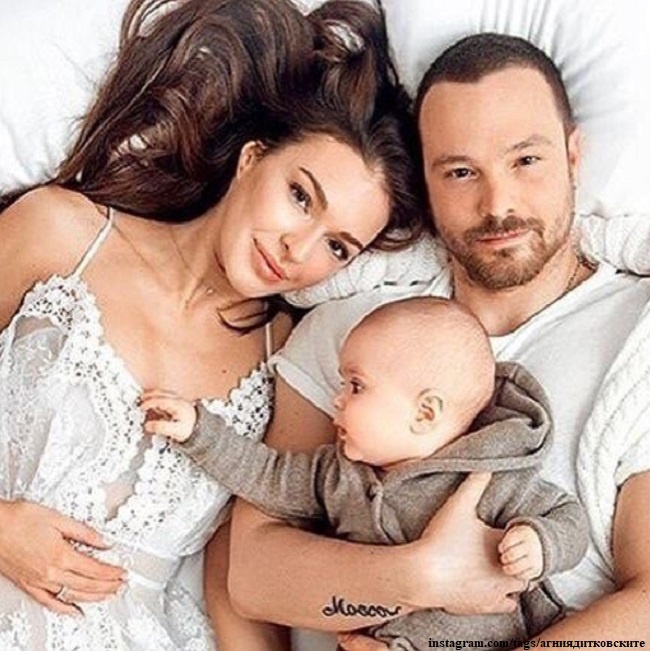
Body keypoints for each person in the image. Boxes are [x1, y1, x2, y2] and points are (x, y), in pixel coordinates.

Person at [0, 0, 426, 648]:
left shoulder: (289, 364)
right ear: (253, 158)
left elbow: (238, 589)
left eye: (337, 246)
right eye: (300, 196)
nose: (298, 249)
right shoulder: (60, 233)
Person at [223, 32, 650, 649]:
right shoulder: (352, 330)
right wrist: (422, 577)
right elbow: (253, 575)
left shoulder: (636, 341)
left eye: (526, 160)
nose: (498, 203)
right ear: (425, 183)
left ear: (573, 156)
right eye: (460, 172)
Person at [141, 296, 588, 650]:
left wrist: (539, 541)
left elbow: (568, 518)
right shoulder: (337, 475)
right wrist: (199, 432)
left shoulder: (489, 475)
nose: (337, 399)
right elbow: (266, 473)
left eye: (356, 385)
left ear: (425, 413)